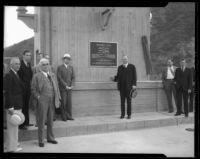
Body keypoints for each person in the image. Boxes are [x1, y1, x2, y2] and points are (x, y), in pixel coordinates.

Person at [31, 58, 60, 147]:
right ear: (40, 66)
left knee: (51, 120)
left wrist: (58, 98)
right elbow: (33, 89)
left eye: (47, 64)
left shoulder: (52, 75)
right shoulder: (36, 76)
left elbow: (57, 87)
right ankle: (41, 140)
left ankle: (50, 138)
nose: (46, 66)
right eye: (44, 64)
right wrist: (39, 97)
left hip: (52, 100)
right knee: (41, 121)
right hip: (42, 100)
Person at [4, 57, 24, 152]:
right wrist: (10, 106)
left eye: (19, 64)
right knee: (12, 127)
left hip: (17, 105)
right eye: (16, 64)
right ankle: (11, 148)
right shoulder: (9, 75)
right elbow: (8, 92)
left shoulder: (16, 74)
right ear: (11, 65)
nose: (18, 65)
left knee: (15, 126)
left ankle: (12, 144)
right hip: (12, 106)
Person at [111, 55, 137, 119]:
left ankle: (129, 115)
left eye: (125, 59)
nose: (124, 60)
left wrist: (134, 85)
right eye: (123, 59)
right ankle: (122, 115)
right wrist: (114, 79)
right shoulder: (120, 67)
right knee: (122, 102)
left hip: (129, 88)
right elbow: (118, 77)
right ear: (122, 60)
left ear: (127, 59)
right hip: (122, 88)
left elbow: (134, 76)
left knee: (129, 102)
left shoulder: (132, 67)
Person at [18, 50, 33, 130]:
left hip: (28, 89)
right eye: (27, 55)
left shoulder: (28, 64)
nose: (29, 56)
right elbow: (19, 78)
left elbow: (30, 76)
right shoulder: (20, 64)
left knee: (26, 106)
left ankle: (26, 122)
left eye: (30, 55)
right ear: (23, 56)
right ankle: (21, 124)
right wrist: (23, 86)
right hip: (22, 90)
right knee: (22, 107)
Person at [57, 53, 75, 121]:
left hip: (69, 89)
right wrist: (65, 85)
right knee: (63, 103)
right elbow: (59, 77)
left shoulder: (71, 67)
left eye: (68, 59)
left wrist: (72, 85)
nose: (67, 60)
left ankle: (69, 116)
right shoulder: (60, 67)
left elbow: (73, 77)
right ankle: (64, 116)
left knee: (69, 103)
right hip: (63, 89)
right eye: (66, 59)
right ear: (63, 59)